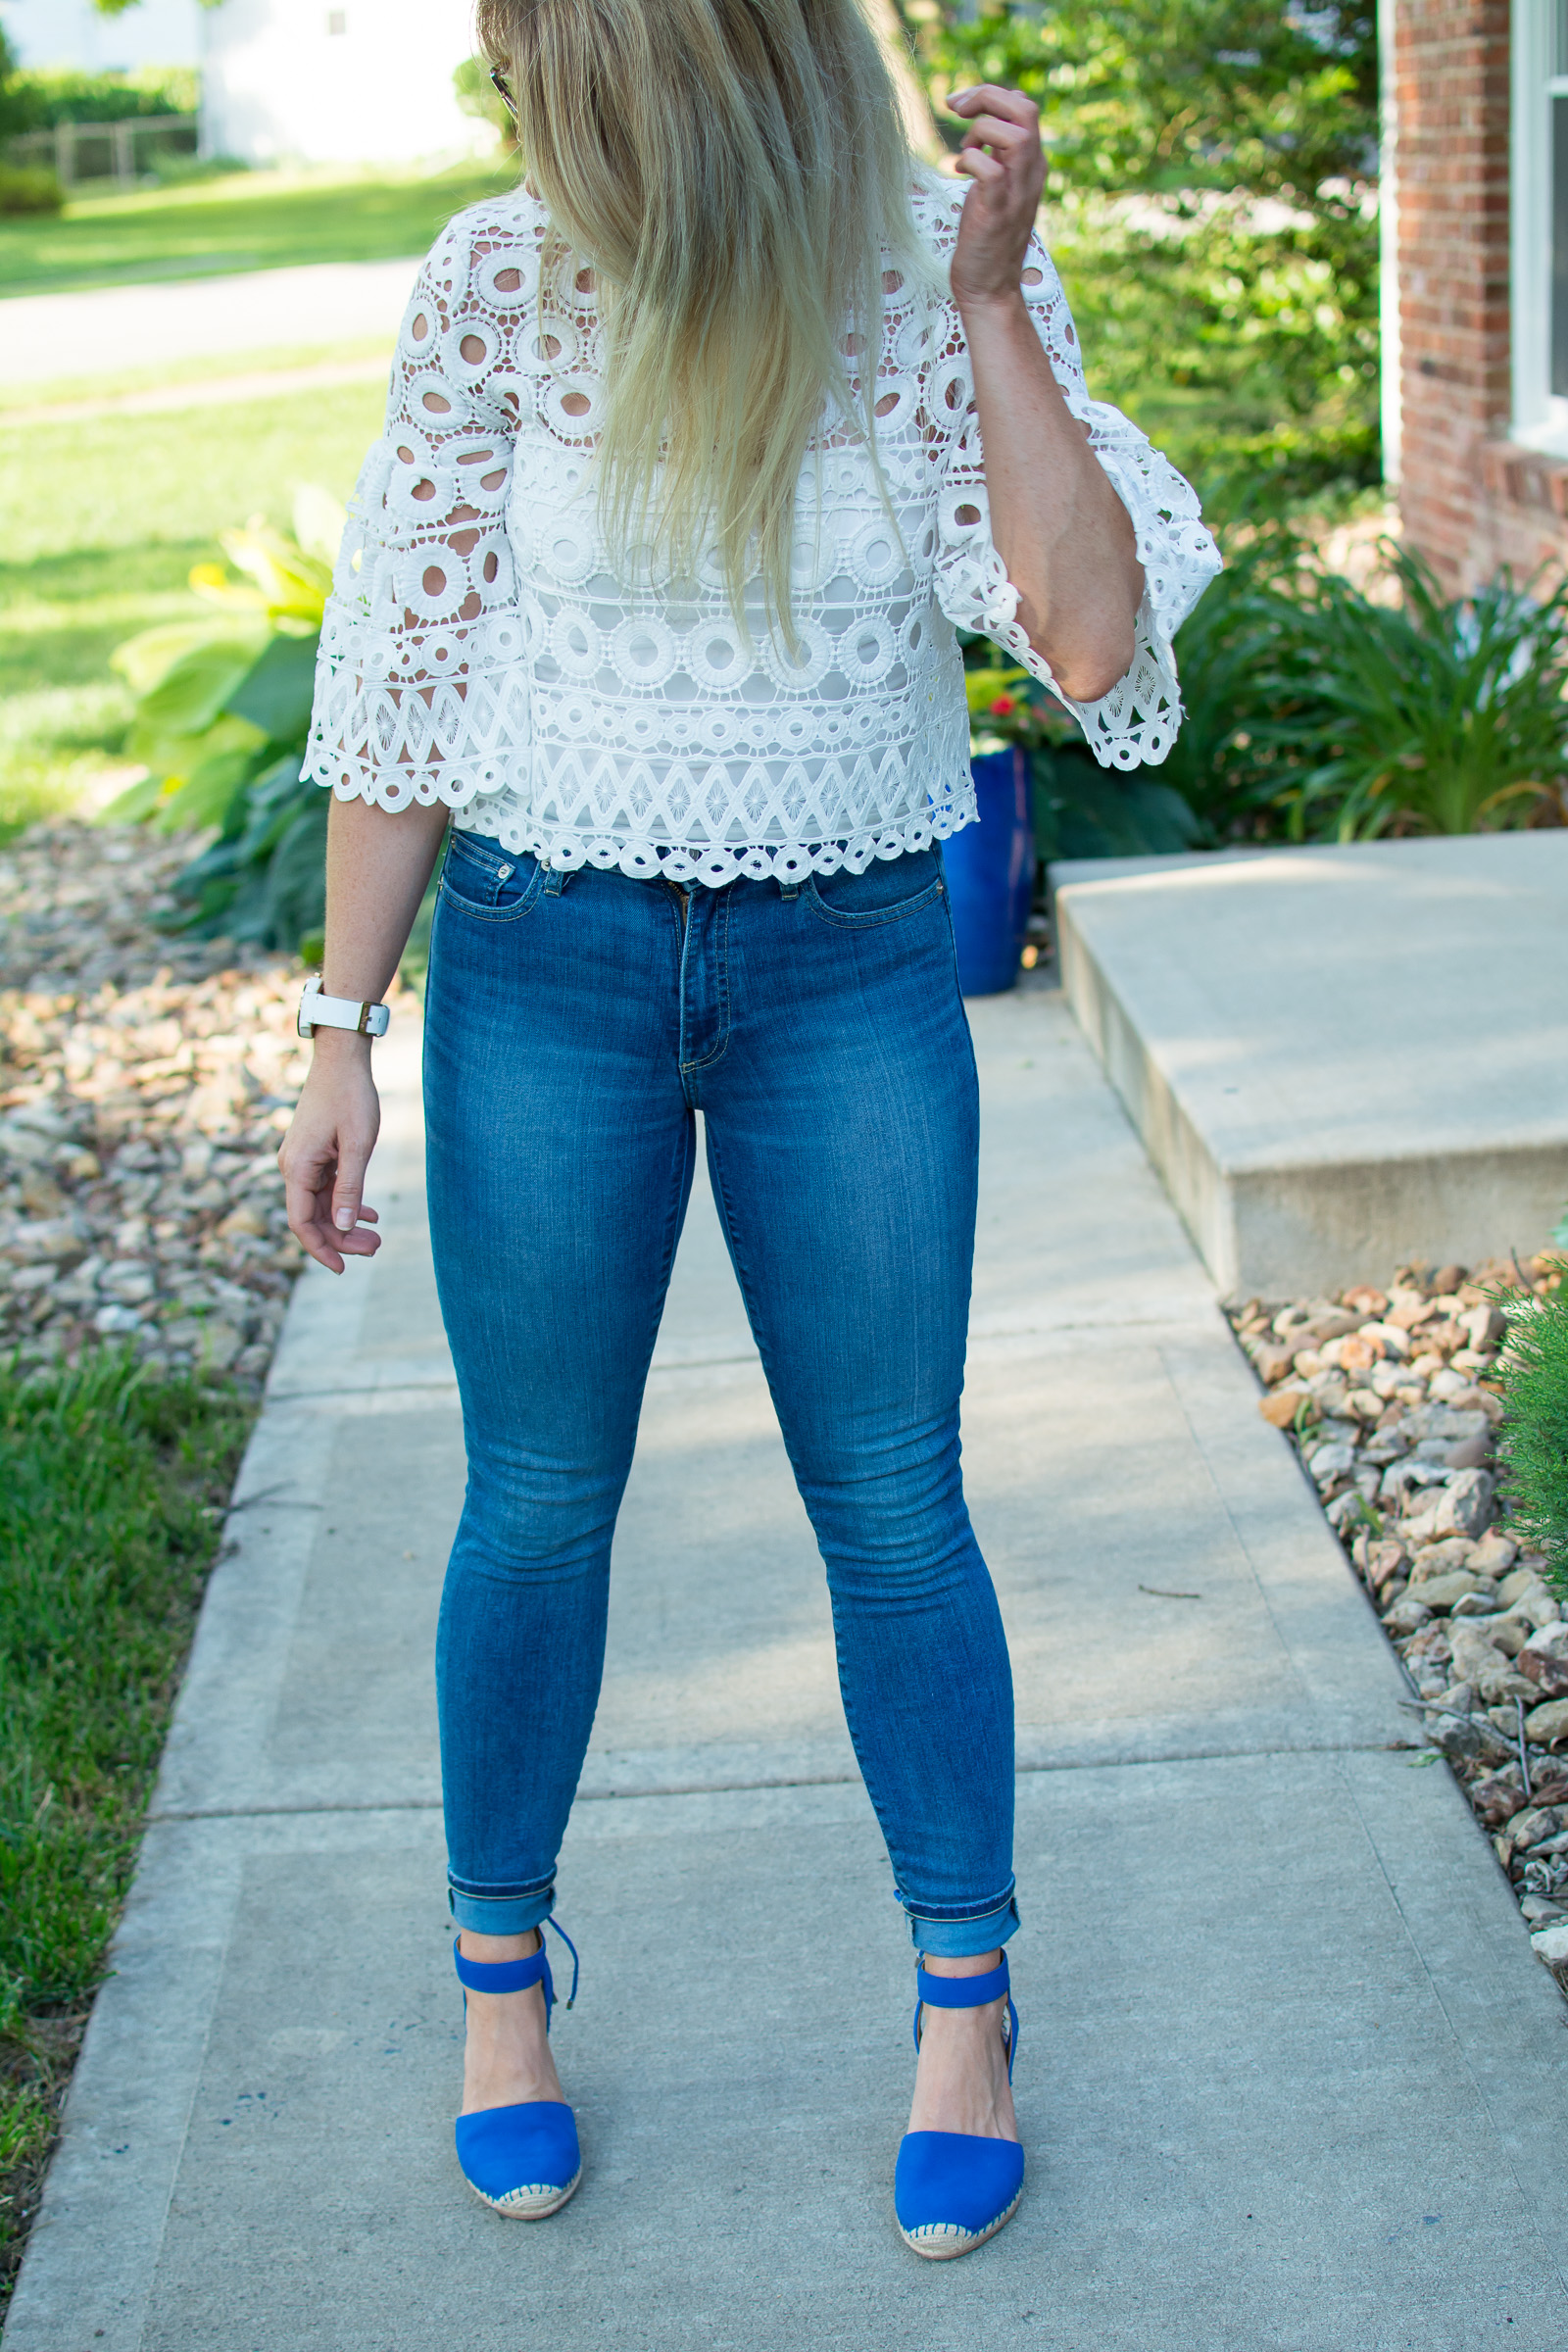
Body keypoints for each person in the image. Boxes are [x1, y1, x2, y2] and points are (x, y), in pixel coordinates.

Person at [281, 0, 1219, 2261]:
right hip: (545, 965)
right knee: (531, 1505)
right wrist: (335, 1026)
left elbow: (1086, 648)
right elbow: (411, 664)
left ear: (669, 70)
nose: (511, 93)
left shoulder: (923, 263)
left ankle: (963, 2014)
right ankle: (500, 1999)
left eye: (543, 58)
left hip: (843, 972)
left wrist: (995, 310)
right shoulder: (494, 278)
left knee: (895, 1506)